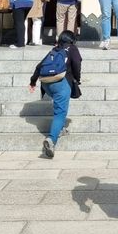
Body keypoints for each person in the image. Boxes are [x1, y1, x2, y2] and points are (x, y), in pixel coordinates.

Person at [29, 29, 82, 159]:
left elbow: (39, 66)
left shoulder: (54, 49)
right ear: (72, 40)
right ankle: (51, 140)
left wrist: (33, 82)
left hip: (46, 83)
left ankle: (61, 128)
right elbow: (77, 63)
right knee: (60, 111)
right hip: (61, 83)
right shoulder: (72, 49)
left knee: (59, 106)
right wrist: (77, 79)